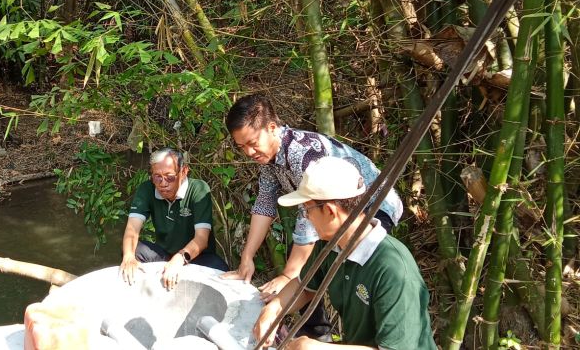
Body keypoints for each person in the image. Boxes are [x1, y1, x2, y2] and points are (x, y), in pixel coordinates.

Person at [222, 94, 404, 339]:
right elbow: (264, 202)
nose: (248, 151)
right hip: (328, 214)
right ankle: (318, 334)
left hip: (372, 206)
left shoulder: (303, 151)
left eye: (252, 142)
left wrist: (288, 275)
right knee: (305, 267)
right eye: (242, 146)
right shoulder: (267, 159)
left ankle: (363, 339)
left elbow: (309, 216)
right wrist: (247, 256)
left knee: (349, 275)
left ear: (272, 128)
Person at [253, 156, 436, 349]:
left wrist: (317, 347)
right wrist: (273, 310)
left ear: (331, 211)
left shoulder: (394, 270)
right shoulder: (330, 245)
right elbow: (304, 286)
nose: (306, 217)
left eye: (307, 211)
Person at [120, 148, 228, 290]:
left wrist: (179, 259)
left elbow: (201, 239)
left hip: (195, 257)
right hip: (164, 254)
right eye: (157, 177)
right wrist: (128, 257)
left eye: (169, 177)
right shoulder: (146, 189)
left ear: (183, 172)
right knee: (135, 250)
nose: (163, 183)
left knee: (222, 271)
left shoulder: (198, 189)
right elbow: (132, 228)